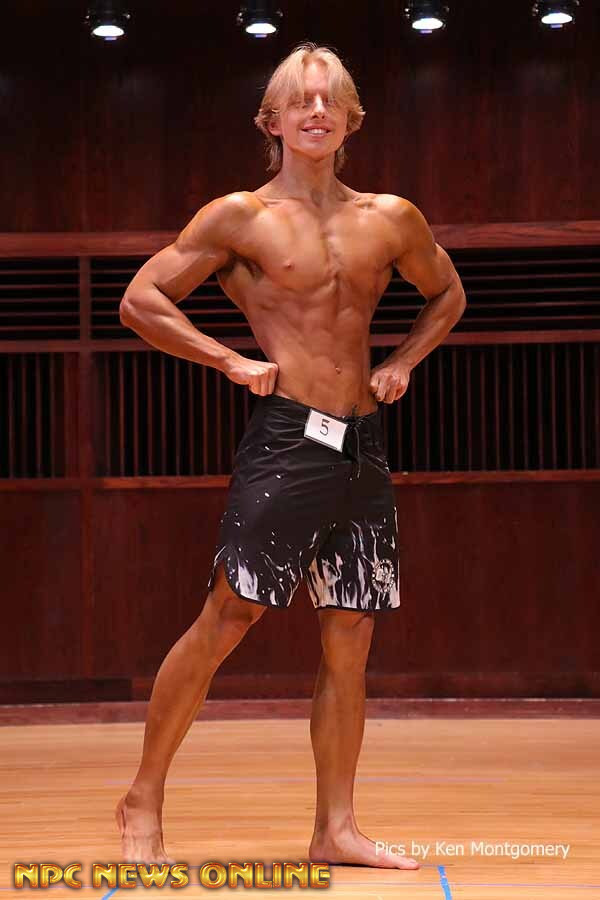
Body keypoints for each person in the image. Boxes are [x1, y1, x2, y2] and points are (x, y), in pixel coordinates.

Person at [116, 41, 466, 870]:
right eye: (300, 100)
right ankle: (142, 799)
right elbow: (140, 298)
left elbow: (448, 293)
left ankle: (335, 828)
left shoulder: (391, 217)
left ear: (351, 119)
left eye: (329, 99)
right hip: (287, 439)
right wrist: (226, 360)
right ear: (271, 121)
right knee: (229, 616)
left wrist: (404, 361)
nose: (316, 110)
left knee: (351, 633)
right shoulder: (240, 217)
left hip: (362, 448)